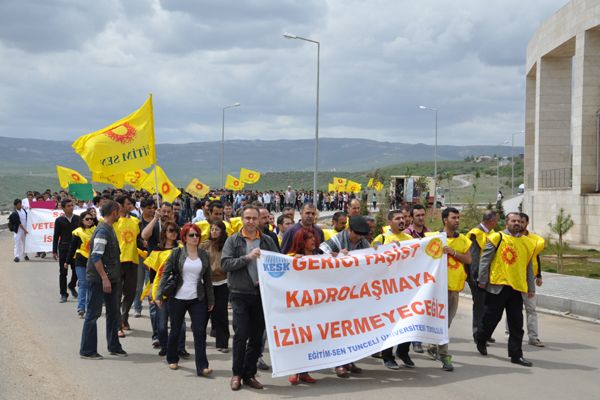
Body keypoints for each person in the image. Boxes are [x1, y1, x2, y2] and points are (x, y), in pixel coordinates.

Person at [221, 206, 279, 391]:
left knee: (256, 337)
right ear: (242, 219)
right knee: (241, 334)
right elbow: (225, 264)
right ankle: (237, 374)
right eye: (248, 218)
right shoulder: (233, 240)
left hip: (262, 294)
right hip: (240, 293)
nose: (251, 221)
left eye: (254, 218)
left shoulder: (267, 240)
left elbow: (278, 262)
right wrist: (247, 258)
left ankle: (250, 374)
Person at [475, 212, 535, 367]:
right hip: (497, 286)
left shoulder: (527, 243)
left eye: (519, 221)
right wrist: (482, 280)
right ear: (506, 222)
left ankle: (516, 354)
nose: (517, 223)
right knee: (491, 318)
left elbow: (529, 267)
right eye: (513, 221)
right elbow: (485, 260)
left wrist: (531, 287)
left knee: (516, 322)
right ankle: (481, 338)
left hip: (517, 287)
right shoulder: (497, 238)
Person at [156, 223, 214, 376]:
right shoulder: (176, 253)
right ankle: (172, 358)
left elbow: (208, 280)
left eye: (197, 235)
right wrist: (158, 295)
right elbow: (164, 274)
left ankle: (202, 366)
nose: (195, 238)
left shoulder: (204, 254)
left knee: (200, 331)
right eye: (191, 235)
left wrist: (211, 300)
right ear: (184, 237)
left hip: (198, 298)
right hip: (178, 298)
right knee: (175, 330)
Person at [320, 215, 370, 377]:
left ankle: (349, 360)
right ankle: (338, 363)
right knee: (338, 329)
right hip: (336, 292)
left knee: (352, 329)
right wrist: (337, 256)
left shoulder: (364, 243)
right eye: (357, 234)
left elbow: (371, 260)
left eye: (362, 234)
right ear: (349, 230)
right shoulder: (336, 240)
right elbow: (320, 258)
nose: (359, 237)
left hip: (354, 293)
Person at [425, 207, 472, 371]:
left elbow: (468, 259)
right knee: (441, 322)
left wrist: (453, 252)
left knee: (447, 322)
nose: (457, 220)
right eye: (454, 218)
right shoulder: (433, 238)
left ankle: (433, 345)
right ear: (445, 220)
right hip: (436, 289)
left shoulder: (464, 240)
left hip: (454, 288)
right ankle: (444, 355)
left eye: (458, 217)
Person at [80, 200, 127, 360]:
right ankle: (87, 350)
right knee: (93, 314)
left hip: (111, 279)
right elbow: (96, 257)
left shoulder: (109, 229)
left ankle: (114, 346)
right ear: (114, 211)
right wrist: (104, 279)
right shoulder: (102, 231)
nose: (120, 214)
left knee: (113, 313)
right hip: (99, 280)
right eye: (119, 211)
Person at [371, 210, 414, 369]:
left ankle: (403, 351)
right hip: (387, 290)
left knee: (408, 321)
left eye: (403, 218)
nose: (402, 221)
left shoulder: (410, 239)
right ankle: (387, 356)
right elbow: (374, 260)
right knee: (389, 324)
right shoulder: (381, 239)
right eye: (398, 219)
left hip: (406, 288)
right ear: (390, 222)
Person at [286, 228, 321, 385]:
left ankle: (304, 371)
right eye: (309, 238)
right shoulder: (291, 257)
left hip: (315, 305)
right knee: (297, 338)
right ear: (301, 241)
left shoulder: (320, 256)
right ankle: (293, 370)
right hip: (297, 305)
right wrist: (293, 262)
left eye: (314, 238)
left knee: (310, 339)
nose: (313, 241)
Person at [467, 210, 498, 343]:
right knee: (479, 305)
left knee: (487, 305)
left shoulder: (491, 234)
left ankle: (484, 332)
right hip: (478, 276)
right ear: (490, 221)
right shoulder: (476, 233)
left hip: (489, 275)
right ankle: (477, 334)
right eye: (496, 220)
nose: (497, 223)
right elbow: (473, 257)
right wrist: (476, 277)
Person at [201, 221, 230, 352]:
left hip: (222, 282)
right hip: (206, 283)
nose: (213, 231)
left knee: (221, 314)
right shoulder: (205, 245)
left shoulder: (227, 245)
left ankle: (222, 343)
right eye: (212, 229)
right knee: (203, 314)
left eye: (217, 229)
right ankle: (200, 341)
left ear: (222, 231)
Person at [113, 195, 141, 336]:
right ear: (120, 205)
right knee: (117, 294)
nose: (130, 205)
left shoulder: (136, 221)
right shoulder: (114, 221)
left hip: (132, 261)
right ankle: (118, 325)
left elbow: (139, 240)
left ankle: (124, 317)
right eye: (127, 203)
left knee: (130, 292)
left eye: (131, 203)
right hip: (118, 262)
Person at [403, 204, 429, 353]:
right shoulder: (406, 234)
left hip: (423, 278)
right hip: (407, 280)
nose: (421, 218)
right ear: (412, 217)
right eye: (418, 215)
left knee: (420, 309)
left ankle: (417, 340)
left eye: (422, 215)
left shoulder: (430, 234)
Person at [519, 213, 545, 347]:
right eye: (517, 221)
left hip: (530, 279)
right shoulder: (511, 238)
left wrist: (539, 275)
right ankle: (509, 333)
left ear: (527, 223)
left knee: (531, 309)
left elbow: (536, 257)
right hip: (515, 279)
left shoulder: (534, 240)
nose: (519, 224)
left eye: (522, 222)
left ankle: (533, 337)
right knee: (513, 308)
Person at [67, 210, 98, 318]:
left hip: (94, 260)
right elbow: (72, 248)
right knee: (83, 284)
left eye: (91, 219)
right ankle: (81, 308)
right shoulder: (77, 232)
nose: (90, 221)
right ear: (82, 220)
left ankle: (89, 307)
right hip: (80, 260)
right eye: (87, 219)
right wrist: (67, 261)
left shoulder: (97, 230)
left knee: (91, 285)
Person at [53, 198, 80, 303]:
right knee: (63, 272)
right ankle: (63, 293)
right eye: (68, 206)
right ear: (63, 208)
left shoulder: (78, 219)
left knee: (77, 270)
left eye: (72, 205)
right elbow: (56, 236)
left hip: (76, 249)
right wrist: (54, 250)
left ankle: (72, 285)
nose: (71, 207)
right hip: (64, 248)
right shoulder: (59, 220)